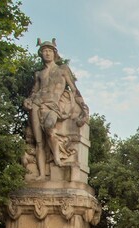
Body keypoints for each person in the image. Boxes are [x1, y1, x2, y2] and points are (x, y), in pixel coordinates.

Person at [23, 39, 88, 180]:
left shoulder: (62, 69)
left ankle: (57, 158)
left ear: (54, 53)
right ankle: (41, 174)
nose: (47, 53)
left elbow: (74, 89)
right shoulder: (39, 74)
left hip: (53, 106)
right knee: (39, 142)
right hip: (37, 105)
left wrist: (84, 108)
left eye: (50, 51)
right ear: (41, 54)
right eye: (44, 51)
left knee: (49, 127)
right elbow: (34, 92)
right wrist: (28, 100)